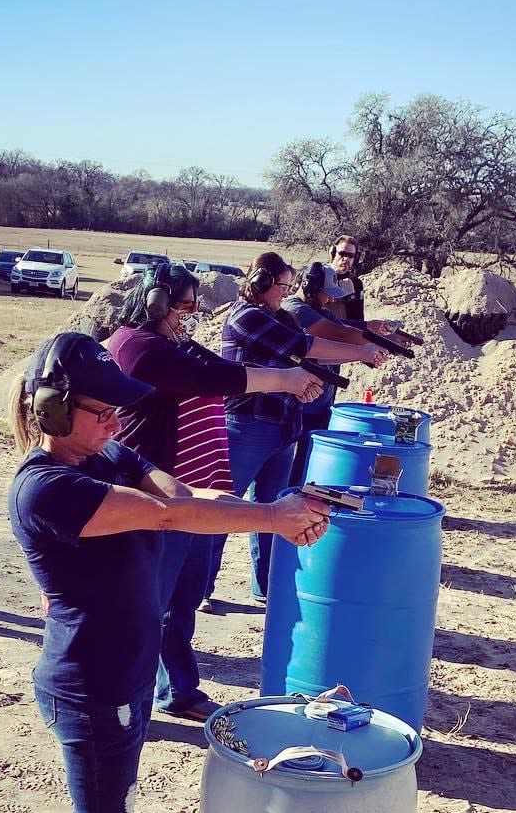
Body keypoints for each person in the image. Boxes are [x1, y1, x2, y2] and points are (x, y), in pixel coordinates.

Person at [7, 332, 330, 813]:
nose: (113, 423)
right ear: (52, 410)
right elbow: (165, 516)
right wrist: (270, 517)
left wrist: (274, 508)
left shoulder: (103, 456)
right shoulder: (48, 487)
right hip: (91, 684)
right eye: (99, 412)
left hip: (118, 678)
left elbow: (182, 497)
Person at [106, 264, 321, 721]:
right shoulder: (138, 346)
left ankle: (177, 691)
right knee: (147, 610)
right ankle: (125, 708)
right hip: (160, 502)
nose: (189, 314)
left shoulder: (169, 342)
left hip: (195, 497)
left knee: (181, 603)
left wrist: (287, 373)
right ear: (156, 304)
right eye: (183, 305)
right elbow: (212, 379)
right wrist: (283, 379)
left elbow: (221, 367)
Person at [219, 251, 389, 602]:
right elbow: (304, 345)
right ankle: (199, 590)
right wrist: (361, 351)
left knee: (274, 515)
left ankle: (266, 588)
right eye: (281, 286)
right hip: (248, 426)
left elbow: (310, 353)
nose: (286, 292)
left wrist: (309, 383)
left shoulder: (278, 316)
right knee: (221, 510)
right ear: (260, 282)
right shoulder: (246, 316)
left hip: (281, 428)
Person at [281, 260, 397, 486]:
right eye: (326, 294)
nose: (331, 300)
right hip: (301, 401)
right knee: (288, 466)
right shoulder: (296, 309)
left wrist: (382, 337)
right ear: (310, 288)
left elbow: (347, 328)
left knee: (305, 462)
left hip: (318, 400)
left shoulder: (318, 310)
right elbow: (338, 334)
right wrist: (375, 345)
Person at [328, 235, 366, 323]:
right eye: (342, 254)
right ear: (333, 253)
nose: (346, 259)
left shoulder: (356, 283)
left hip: (341, 329)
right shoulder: (318, 275)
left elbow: (358, 319)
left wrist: (351, 298)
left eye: (351, 256)